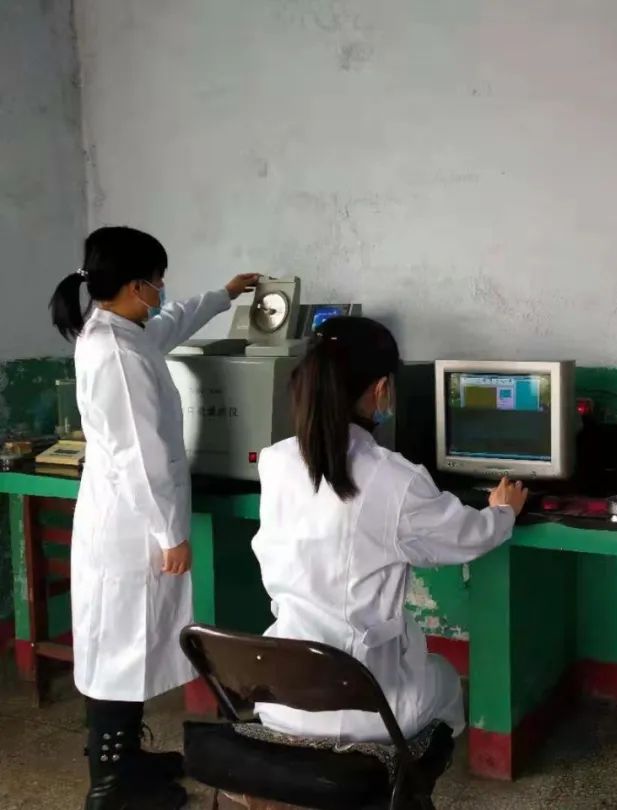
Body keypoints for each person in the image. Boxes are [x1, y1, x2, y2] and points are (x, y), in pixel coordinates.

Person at [49, 225, 259, 810]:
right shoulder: (117, 354)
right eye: (159, 280)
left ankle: (126, 761)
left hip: (125, 517)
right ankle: (110, 786)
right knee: (119, 653)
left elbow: (171, 325)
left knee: (125, 650)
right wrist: (171, 534)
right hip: (133, 524)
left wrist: (223, 296)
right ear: (136, 284)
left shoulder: (119, 331)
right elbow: (141, 456)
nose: (163, 290)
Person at [251, 316, 528, 744]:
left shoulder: (276, 461)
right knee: (446, 680)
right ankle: (397, 771)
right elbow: (466, 536)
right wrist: (503, 512)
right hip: (363, 705)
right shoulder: (394, 480)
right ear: (381, 389)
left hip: (280, 693)